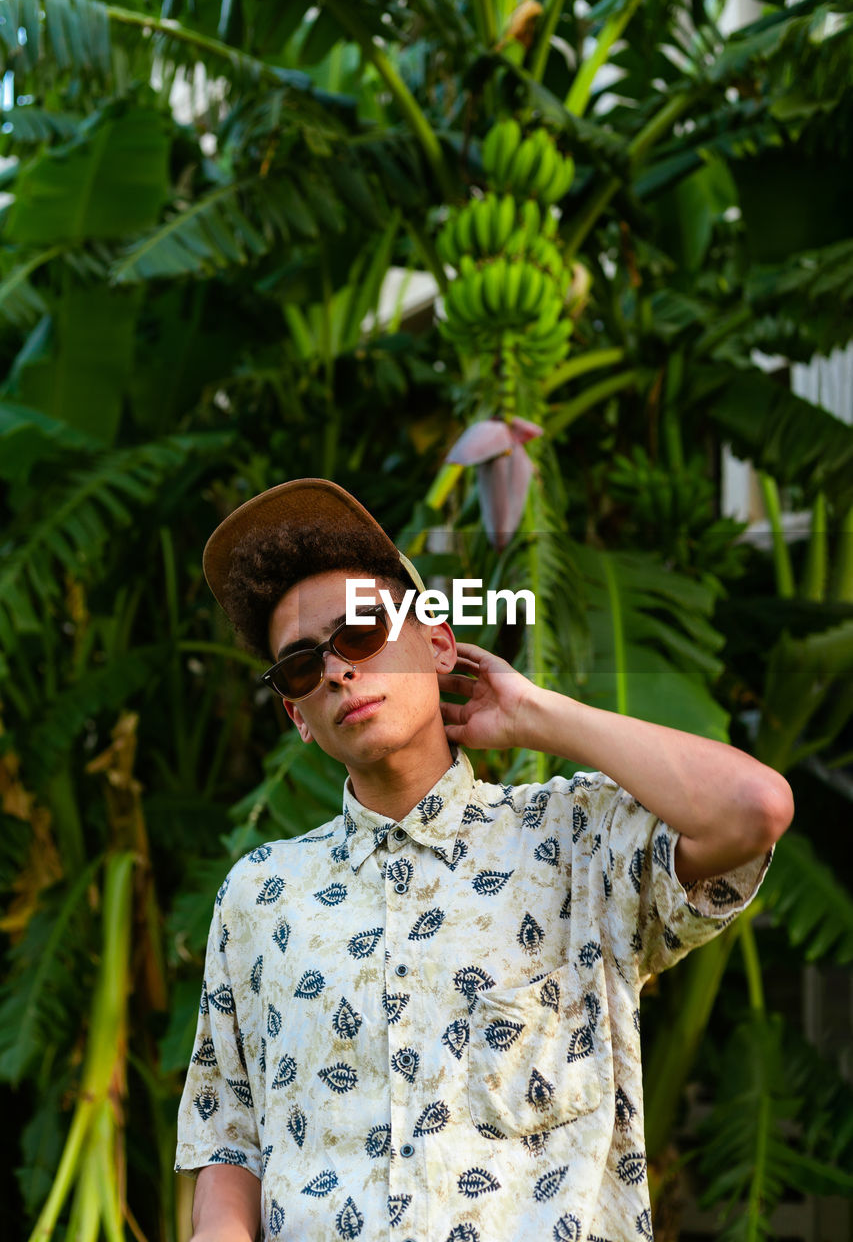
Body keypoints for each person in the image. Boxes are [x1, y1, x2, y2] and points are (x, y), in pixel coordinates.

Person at [176, 478, 793, 1242]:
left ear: (437, 642)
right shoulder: (261, 894)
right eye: (302, 666)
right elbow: (229, 1131)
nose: (337, 671)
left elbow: (753, 809)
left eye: (363, 632)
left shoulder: (572, 840)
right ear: (296, 714)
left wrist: (537, 714)